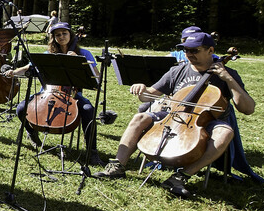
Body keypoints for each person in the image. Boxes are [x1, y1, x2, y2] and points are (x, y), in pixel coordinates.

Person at [94, 32, 255, 198]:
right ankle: (117, 166)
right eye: (186, 50)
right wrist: (142, 89)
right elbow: (149, 95)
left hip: (207, 121)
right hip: (173, 116)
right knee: (139, 117)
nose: (189, 54)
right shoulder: (178, 71)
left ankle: (182, 176)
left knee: (226, 132)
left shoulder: (228, 74)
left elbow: (248, 108)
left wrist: (229, 79)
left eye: (194, 50)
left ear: (210, 50)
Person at [5, 22, 100, 160]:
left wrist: (78, 60)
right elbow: (27, 67)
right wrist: (13, 72)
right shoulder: (48, 54)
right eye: (57, 35)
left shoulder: (84, 53)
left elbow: (96, 76)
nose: (61, 37)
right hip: (47, 92)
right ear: (53, 38)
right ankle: (31, 133)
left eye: (64, 33)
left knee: (88, 110)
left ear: (70, 35)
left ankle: (92, 151)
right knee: (21, 109)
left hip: (72, 94)